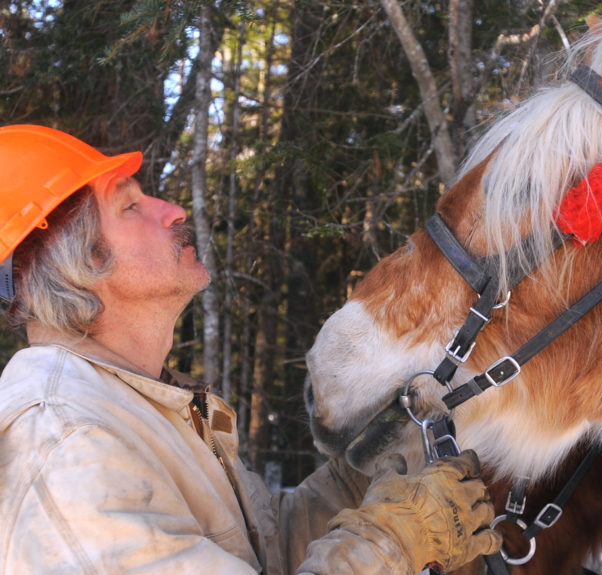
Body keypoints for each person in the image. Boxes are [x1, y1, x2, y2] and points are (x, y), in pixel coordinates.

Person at [0, 124, 502, 574]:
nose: (173, 210)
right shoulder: (66, 444)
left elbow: (266, 552)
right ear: (72, 260)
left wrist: (374, 470)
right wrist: (396, 538)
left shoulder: (136, 406)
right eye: (129, 205)